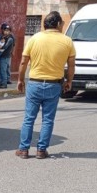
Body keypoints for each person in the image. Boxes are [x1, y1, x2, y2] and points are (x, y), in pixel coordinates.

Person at [15, 11, 76, 159]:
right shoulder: (67, 41)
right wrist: (69, 81)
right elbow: (72, 65)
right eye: (62, 23)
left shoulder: (34, 39)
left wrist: (20, 80)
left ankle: (23, 150)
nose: (62, 25)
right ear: (57, 24)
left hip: (34, 84)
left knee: (29, 118)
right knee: (47, 119)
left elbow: (23, 62)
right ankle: (41, 150)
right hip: (53, 85)